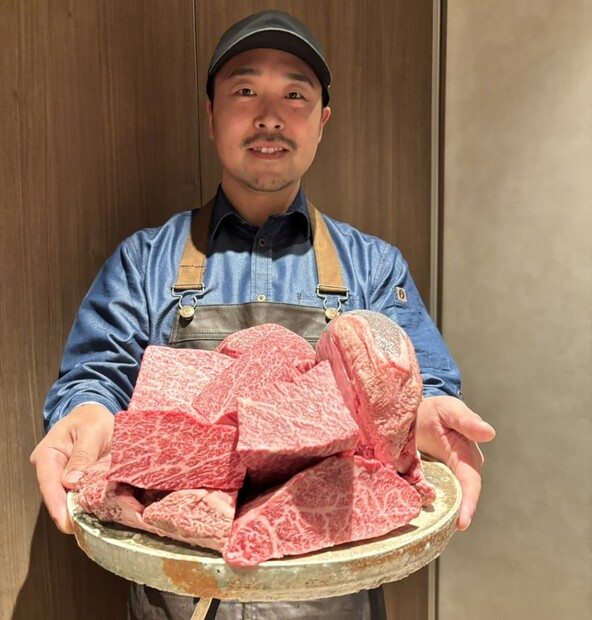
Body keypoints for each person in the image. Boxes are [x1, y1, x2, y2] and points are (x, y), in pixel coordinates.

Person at [30, 9, 496, 619]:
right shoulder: (144, 261)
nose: (270, 116)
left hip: (331, 601)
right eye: (245, 91)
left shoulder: (374, 266)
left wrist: (422, 415)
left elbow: (419, 382)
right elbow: (97, 379)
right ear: (211, 116)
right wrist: (86, 414)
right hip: (178, 595)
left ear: (322, 122)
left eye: (294, 95)